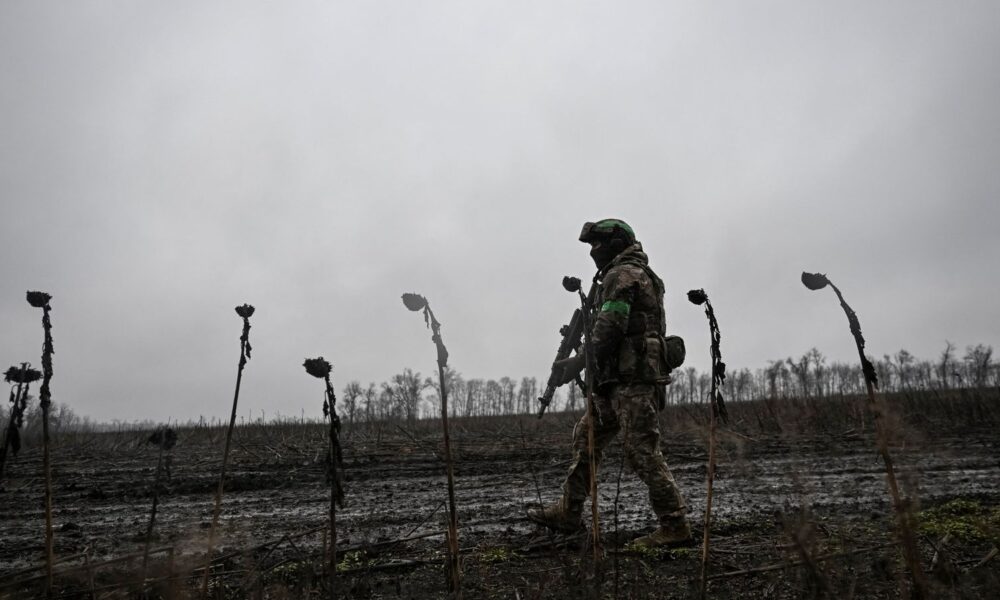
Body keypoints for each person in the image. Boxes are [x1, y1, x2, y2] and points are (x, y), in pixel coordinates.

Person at [527, 218, 691, 548]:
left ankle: (675, 525)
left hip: (632, 382)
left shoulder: (624, 274)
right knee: (586, 438)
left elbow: (611, 325)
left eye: (597, 245)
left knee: (642, 452)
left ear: (617, 243)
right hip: (614, 381)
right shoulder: (620, 274)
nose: (593, 252)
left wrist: (578, 362)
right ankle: (568, 512)